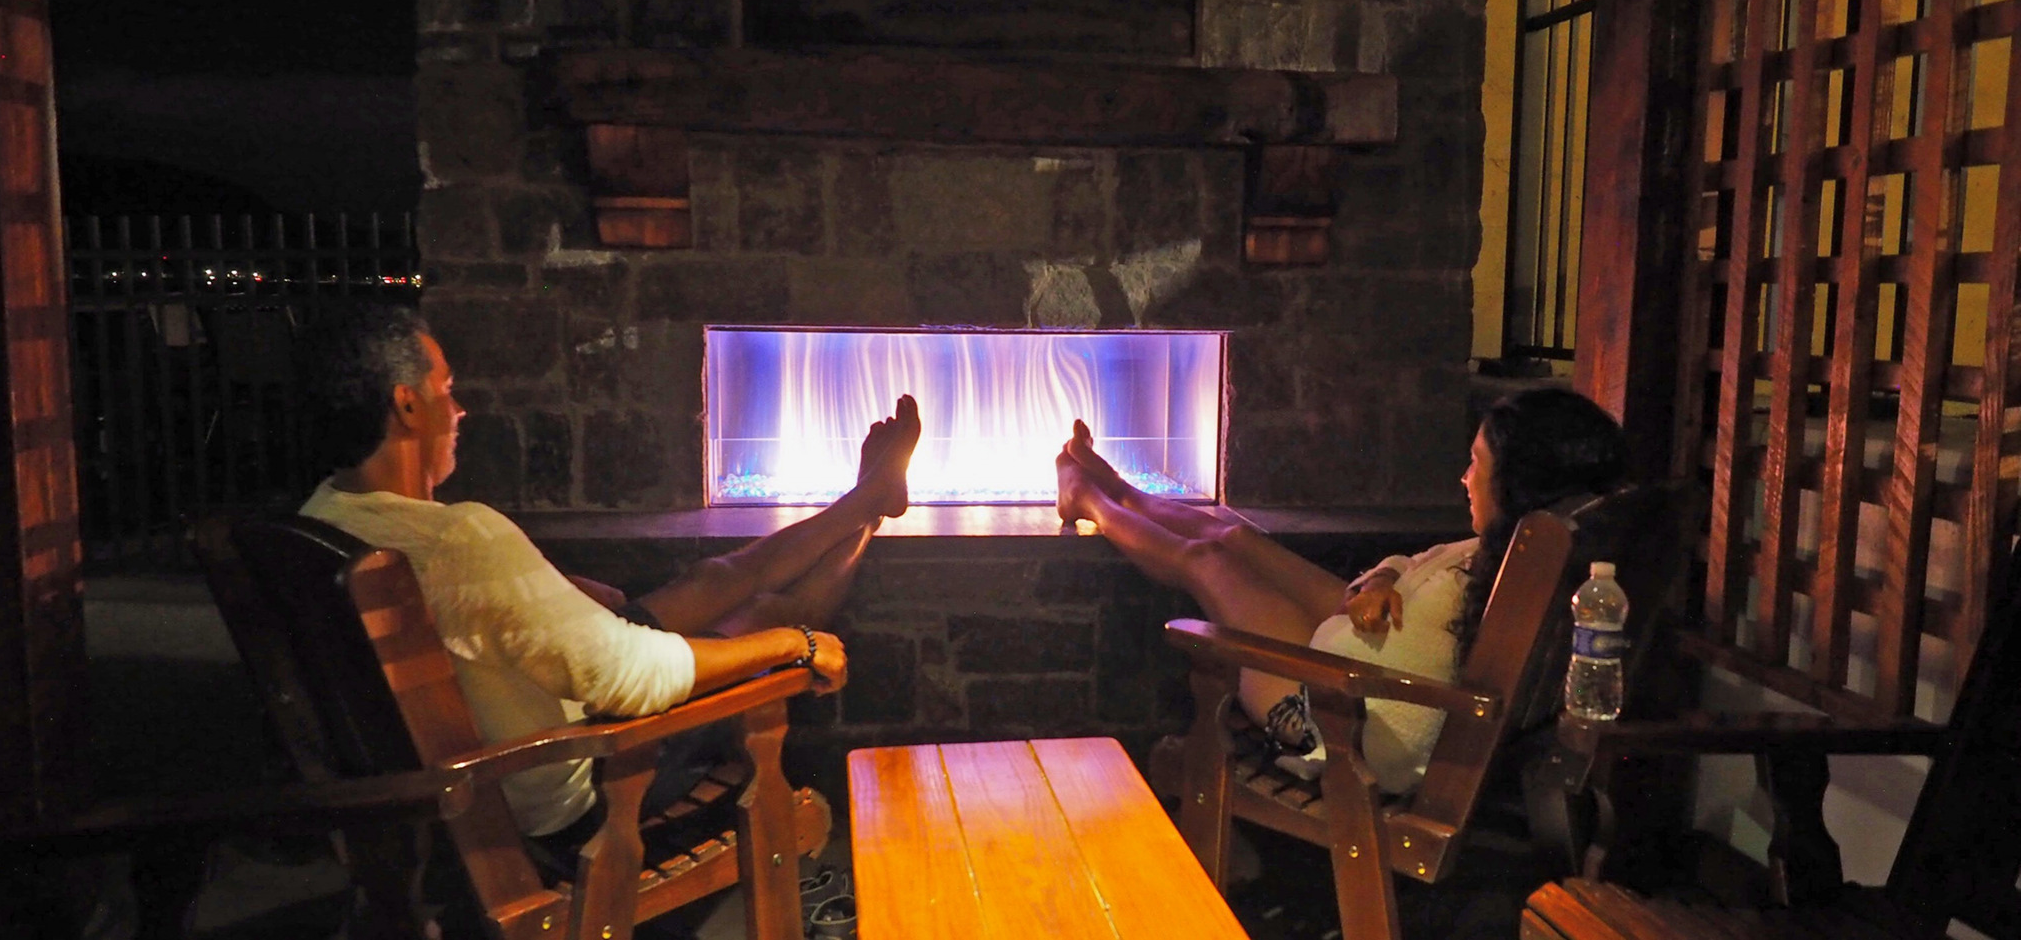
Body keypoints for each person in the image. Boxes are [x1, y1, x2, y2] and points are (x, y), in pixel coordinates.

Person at [296, 304, 920, 861]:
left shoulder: (324, 518)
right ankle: (869, 509)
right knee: (762, 617)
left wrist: (548, 589)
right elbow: (630, 681)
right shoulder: (459, 540)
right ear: (407, 405)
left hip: (515, 719)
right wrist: (797, 644)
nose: (458, 410)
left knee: (717, 576)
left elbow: (472, 615)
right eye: (447, 390)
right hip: (577, 779)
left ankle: (865, 500)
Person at [1055, 386, 1629, 792]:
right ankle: (1116, 487)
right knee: (1232, 536)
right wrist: (1381, 579)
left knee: (1208, 561)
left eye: (1476, 463)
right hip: (1353, 657)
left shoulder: (1512, 565)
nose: (1464, 477)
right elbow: (1413, 560)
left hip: (1334, 716)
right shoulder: (1513, 546)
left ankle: (1088, 500)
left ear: (1518, 479)